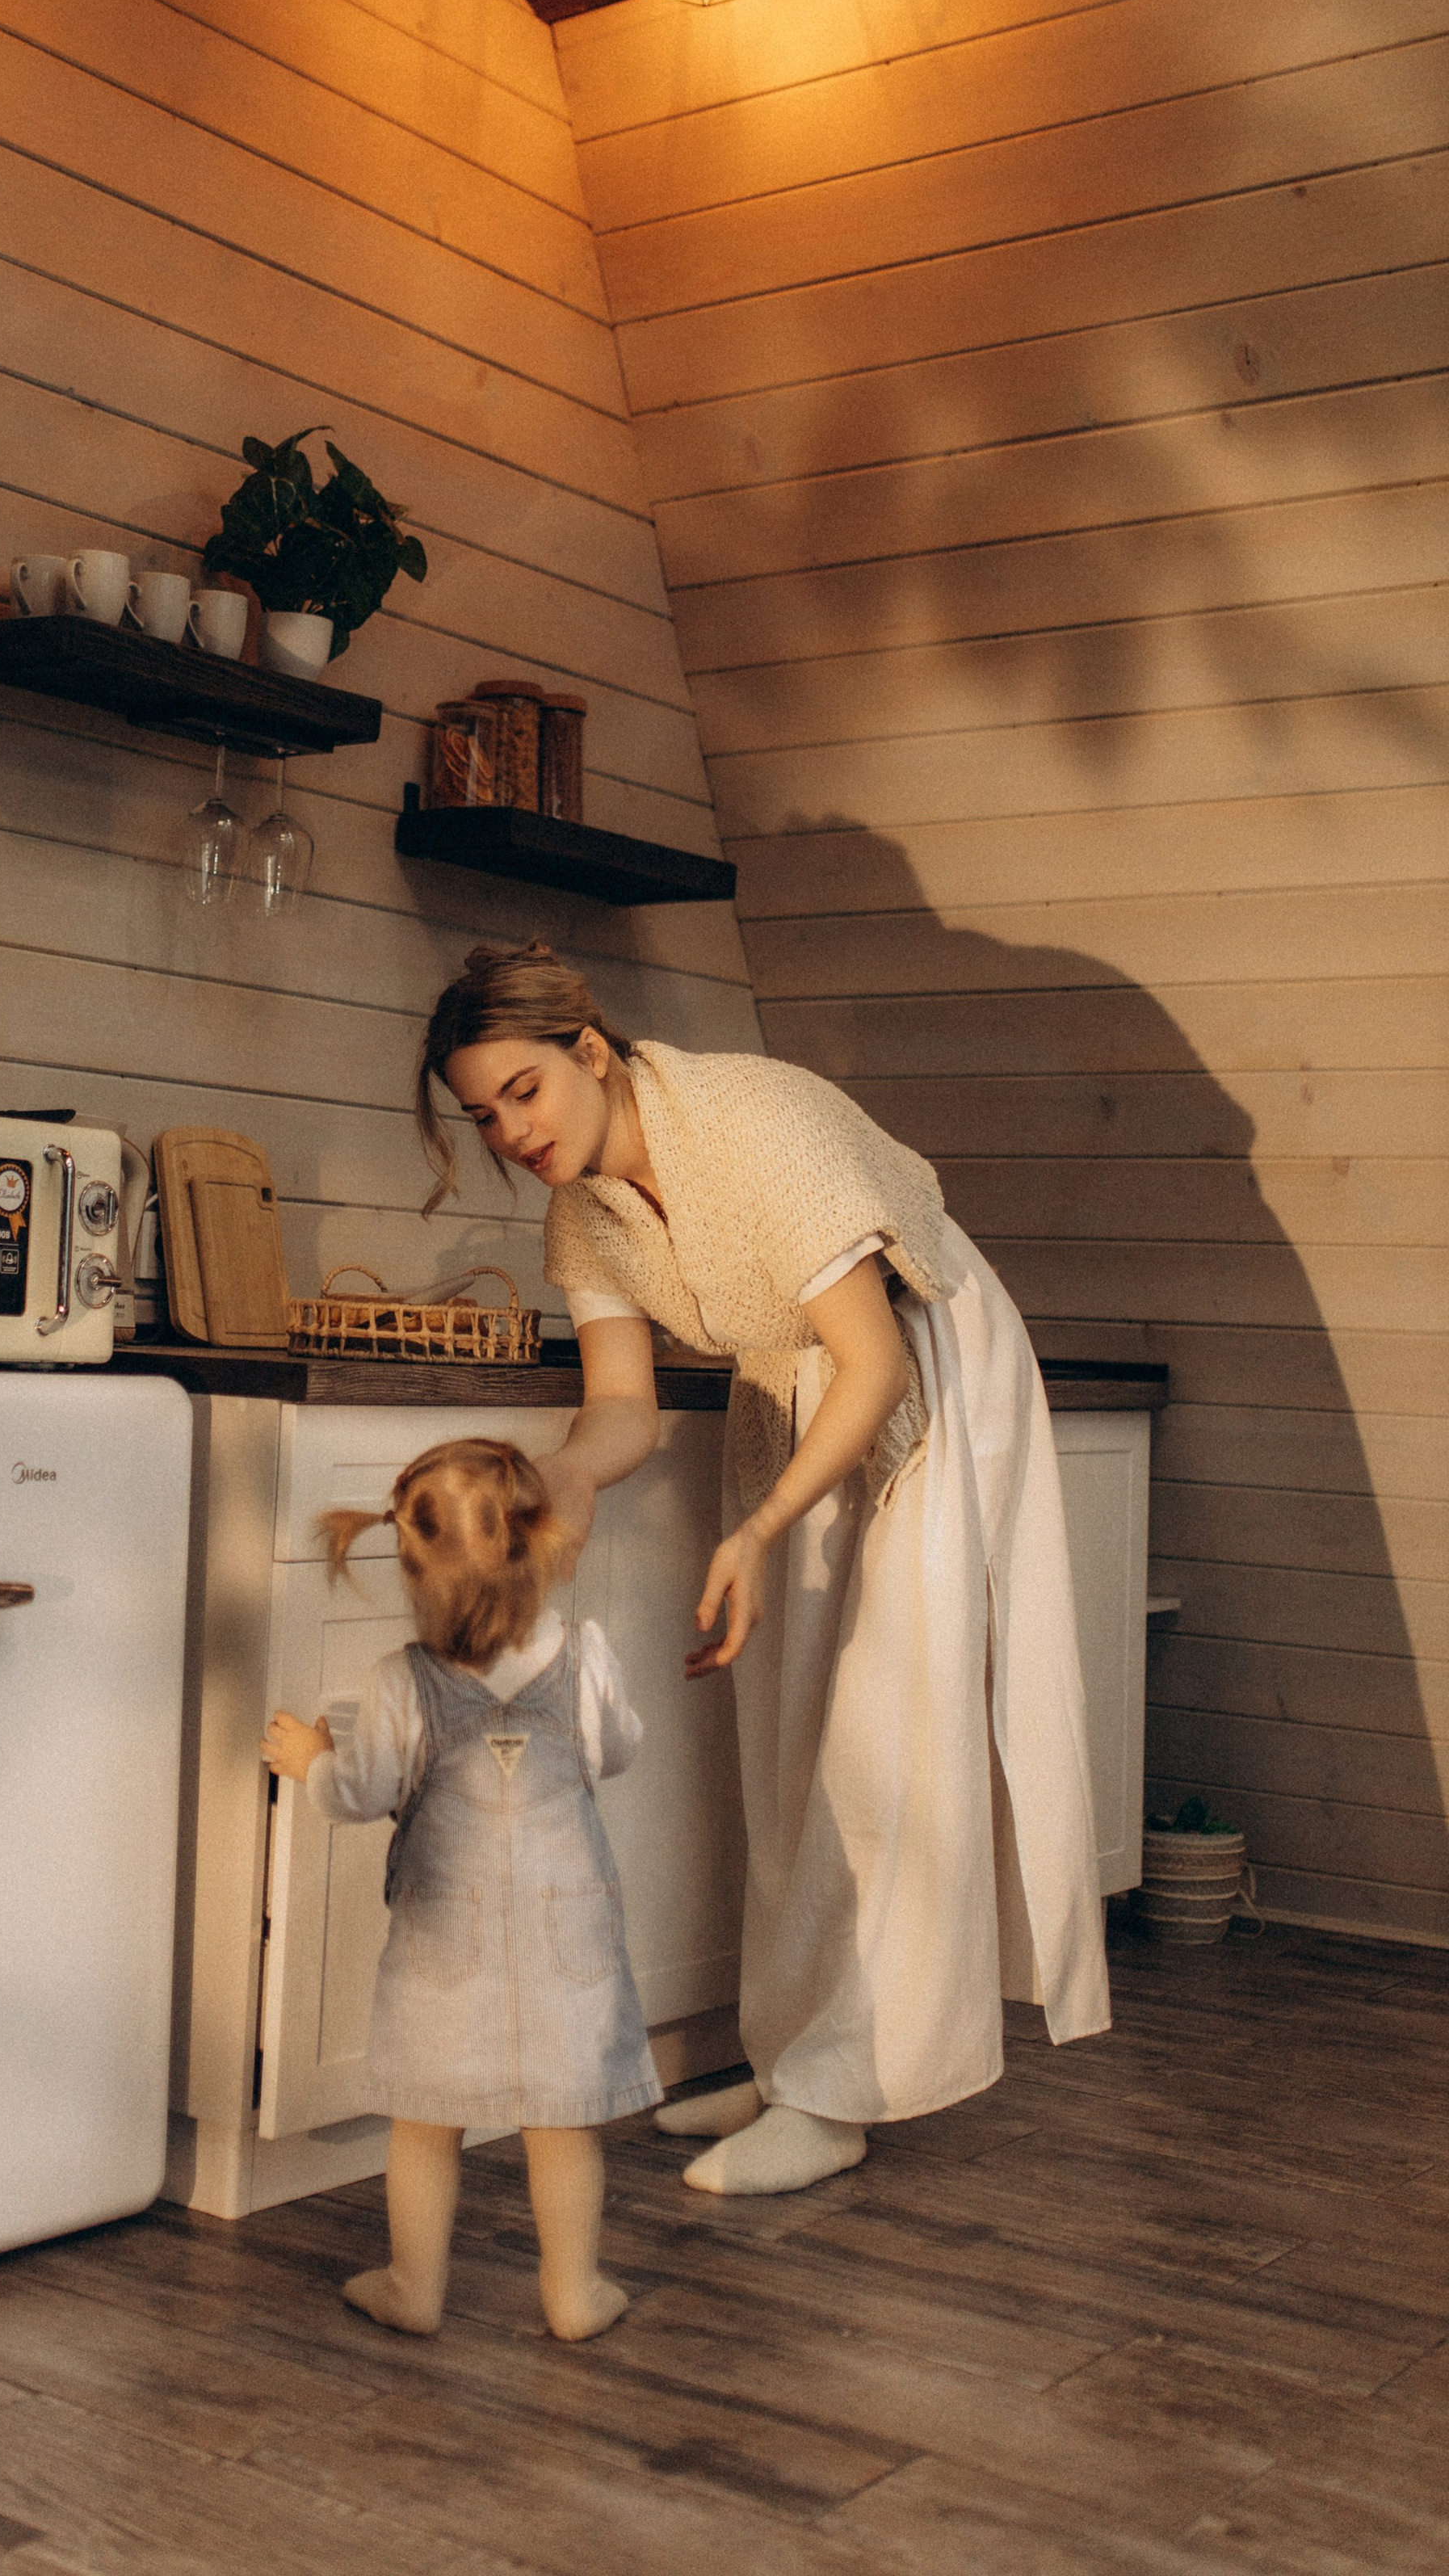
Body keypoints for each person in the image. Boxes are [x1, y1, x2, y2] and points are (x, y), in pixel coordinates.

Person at [415, 943, 1110, 2199]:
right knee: (785, 1743)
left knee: (886, 1742)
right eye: (482, 1116)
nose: (510, 1132)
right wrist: (559, 1485)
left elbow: (876, 1364)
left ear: (589, 1053)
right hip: (790, 1392)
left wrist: (758, 1528)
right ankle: (792, 2058)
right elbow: (619, 1406)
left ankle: (845, 2093)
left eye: (523, 1092)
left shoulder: (753, 1121)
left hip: (918, 1369)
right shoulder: (586, 1210)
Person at [259, 1436, 658, 2341]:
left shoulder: (400, 1684)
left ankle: (415, 2286)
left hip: (448, 1944)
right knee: (564, 2126)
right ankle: (573, 2292)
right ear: (540, 1543)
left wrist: (315, 1758)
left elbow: (361, 1795)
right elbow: (617, 1751)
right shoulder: (585, 1654)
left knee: (426, 2121)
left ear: (409, 1572)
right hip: (572, 1941)